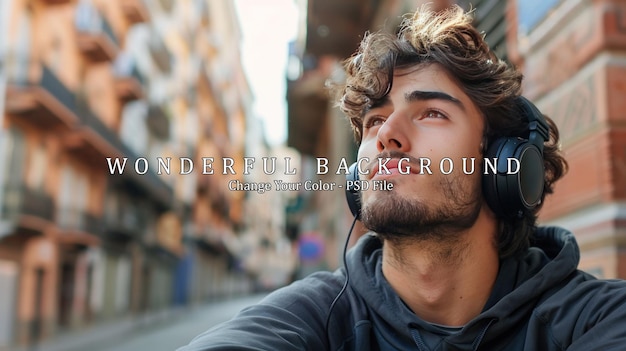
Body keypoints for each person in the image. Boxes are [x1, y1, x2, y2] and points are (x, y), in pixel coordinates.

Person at [178, 5, 626, 350]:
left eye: (430, 113)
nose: (387, 135)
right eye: (374, 122)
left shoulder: (597, 318)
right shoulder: (314, 314)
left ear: (506, 165)